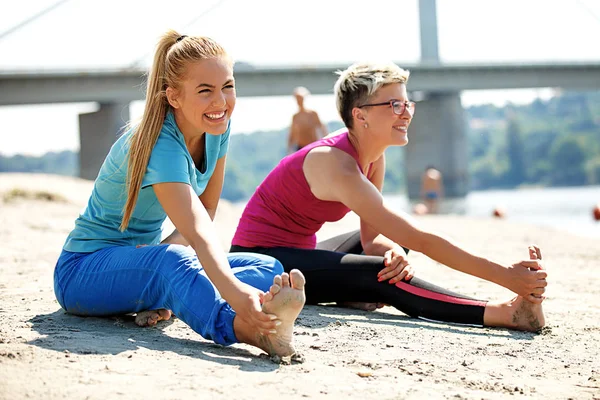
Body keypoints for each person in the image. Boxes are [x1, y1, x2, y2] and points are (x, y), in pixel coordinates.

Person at [230, 61, 547, 332]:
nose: (406, 113)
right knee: (380, 273)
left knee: (393, 250)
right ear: (360, 115)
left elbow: (372, 238)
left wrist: (394, 250)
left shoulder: (373, 156)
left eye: (407, 104)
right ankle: (505, 313)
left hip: (299, 254)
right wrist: (506, 277)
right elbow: (422, 238)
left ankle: (352, 290)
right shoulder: (336, 163)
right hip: (262, 262)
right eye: (394, 105)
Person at [52, 30, 306, 359]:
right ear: (173, 96)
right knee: (174, 264)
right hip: (82, 272)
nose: (220, 102)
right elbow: (198, 230)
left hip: (146, 261)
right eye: (205, 91)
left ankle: (167, 292)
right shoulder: (159, 143)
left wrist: (167, 257)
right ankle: (251, 330)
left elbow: (208, 207)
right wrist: (234, 293)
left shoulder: (217, 129)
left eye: (227, 87)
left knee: (267, 266)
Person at [287, 86, 328, 154]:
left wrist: (326, 142)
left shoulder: (312, 114)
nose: (299, 101)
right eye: (297, 99)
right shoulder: (295, 117)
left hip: (313, 147)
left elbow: (322, 129)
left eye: (300, 98)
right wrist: (289, 148)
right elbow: (292, 134)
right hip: (300, 148)